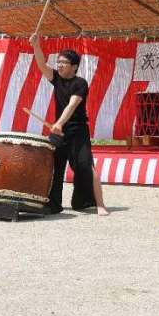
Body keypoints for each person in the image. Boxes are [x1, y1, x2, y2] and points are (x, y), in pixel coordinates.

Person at [29, 34, 109, 216]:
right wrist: (36, 46)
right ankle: (53, 204)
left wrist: (59, 123)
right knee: (54, 166)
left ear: (74, 67)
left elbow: (72, 105)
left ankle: (97, 203)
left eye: (64, 62)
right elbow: (42, 65)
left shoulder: (80, 83)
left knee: (85, 166)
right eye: (59, 62)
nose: (59, 65)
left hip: (77, 130)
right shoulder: (56, 79)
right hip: (58, 132)